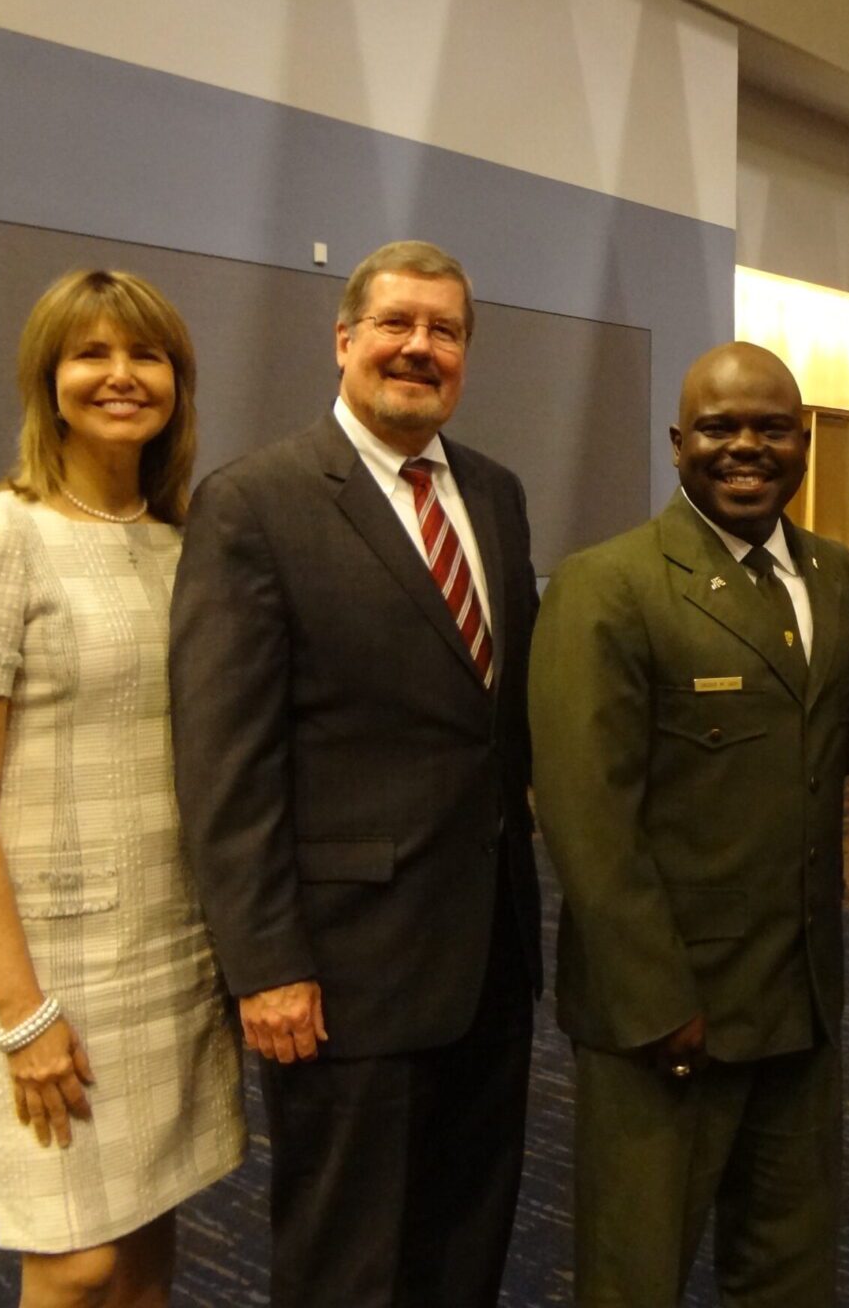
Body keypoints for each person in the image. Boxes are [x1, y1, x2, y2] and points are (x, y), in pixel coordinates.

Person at [170, 241, 540, 1308]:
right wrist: (266, 964)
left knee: (466, 1241)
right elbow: (225, 760)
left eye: (446, 331)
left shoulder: (497, 495)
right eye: (396, 324)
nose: (421, 348)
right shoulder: (255, 504)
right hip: (342, 970)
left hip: (489, 954)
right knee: (350, 1262)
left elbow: (495, 721)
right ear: (343, 341)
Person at [0, 269, 245, 1306]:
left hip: (170, 941)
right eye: (90, 353)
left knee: (146, 1230)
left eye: (146, 355)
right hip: (53, 960)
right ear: (46, 380)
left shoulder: (184, 547)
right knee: (75, 1260)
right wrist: (23, 1013)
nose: (121, 375)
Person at [528, 341, 849, 1307]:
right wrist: (655, 1000)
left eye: (773, 428)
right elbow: (587, 818)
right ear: (678, 443)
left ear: (804, 444)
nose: (746, 447)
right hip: (670, 1011)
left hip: (799, 995)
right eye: (720, 428)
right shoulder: (609, 582)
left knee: (790, 1270)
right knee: (636, 1276)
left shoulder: (835, 574)